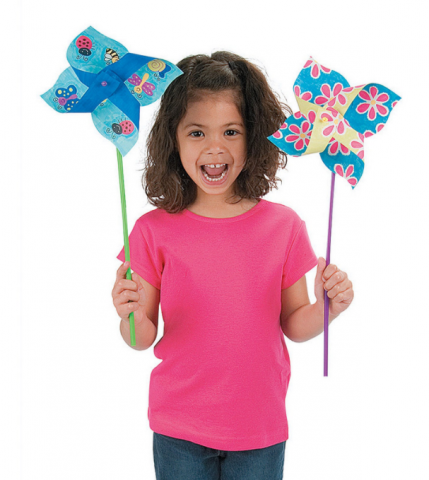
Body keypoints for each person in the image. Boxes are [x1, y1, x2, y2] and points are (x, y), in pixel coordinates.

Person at [113, 51, 354, 480]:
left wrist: (328, 306)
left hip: (259, 428)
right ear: (174, 139)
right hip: (178, 428)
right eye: (196, 132)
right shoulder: (152, 231)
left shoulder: (284, 226)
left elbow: (295, 325)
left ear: (254, 136)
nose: (214, 148)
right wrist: (130, 314)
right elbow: (141, 338)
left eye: (231, 131)